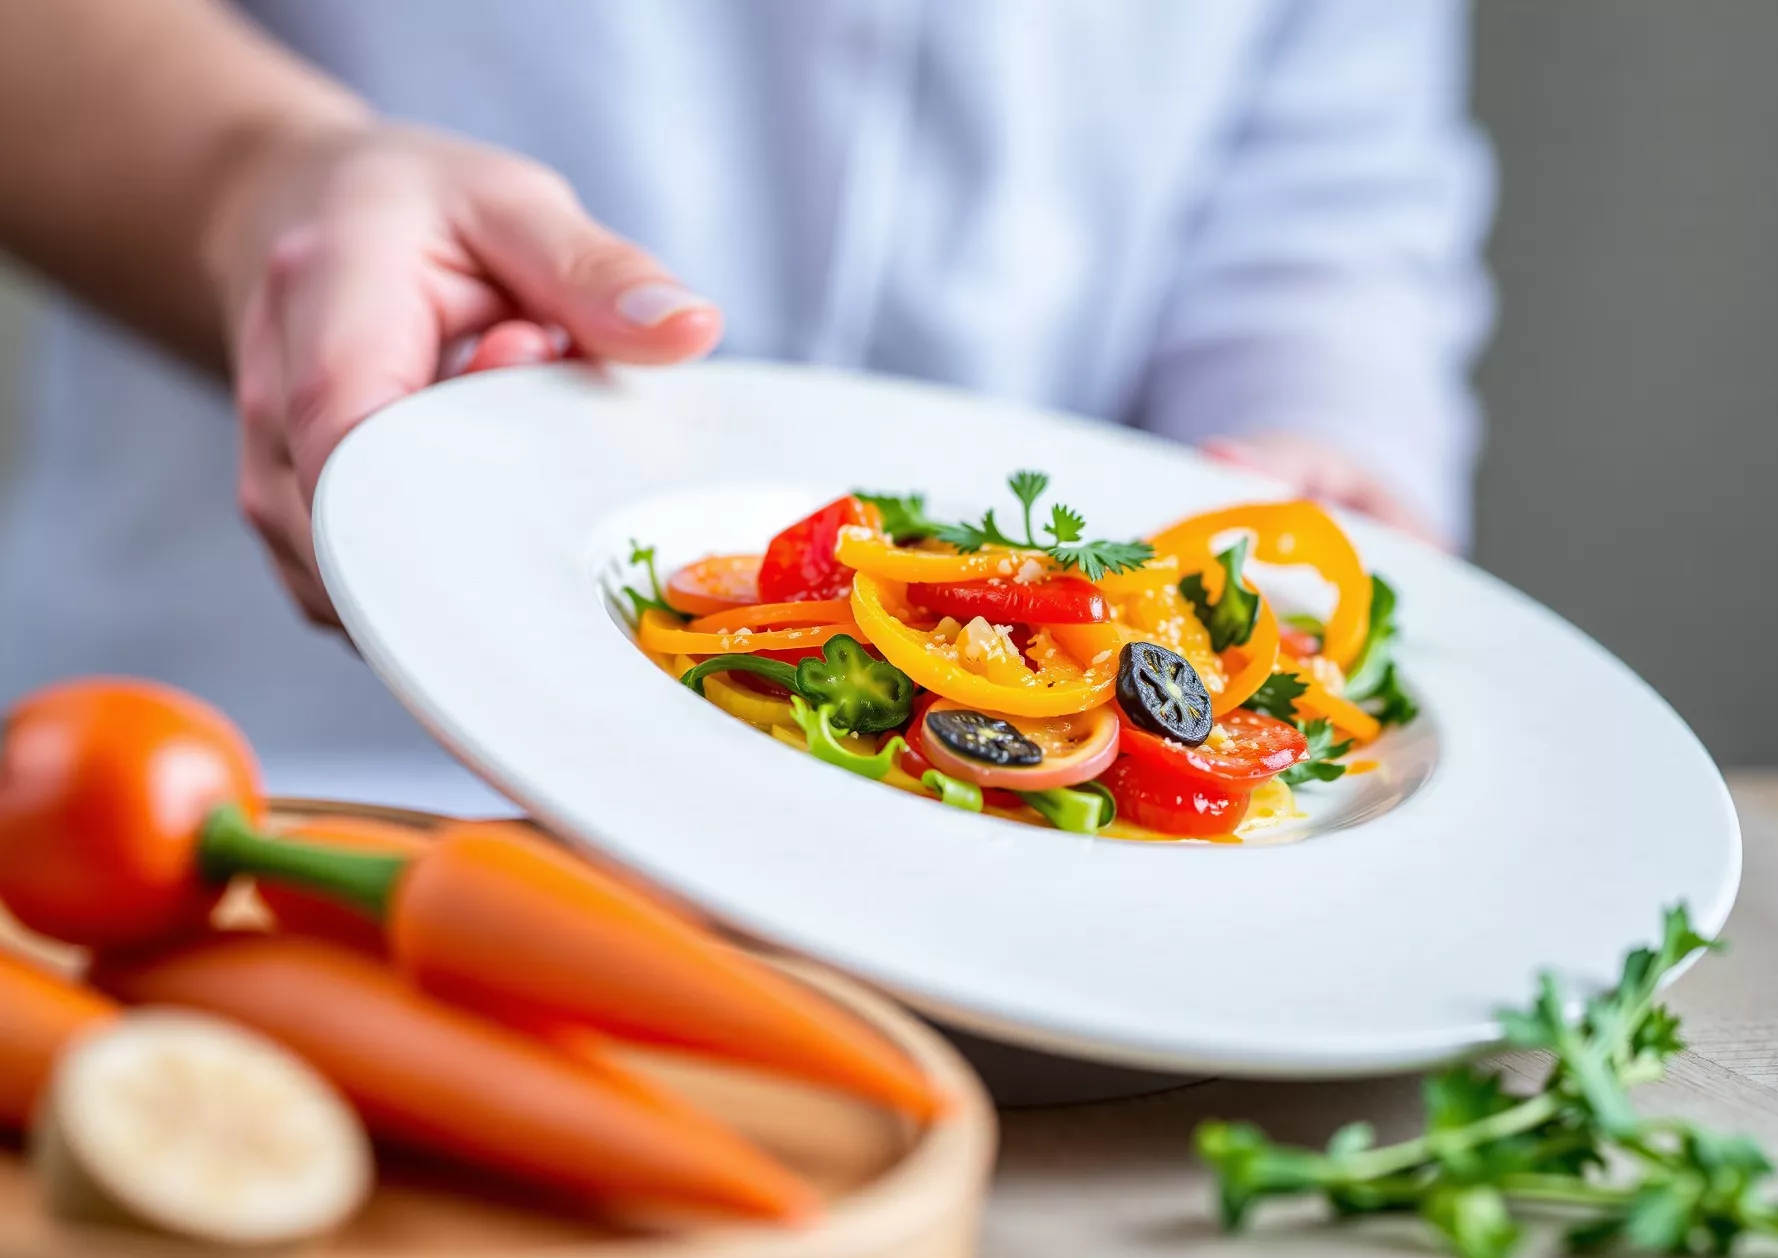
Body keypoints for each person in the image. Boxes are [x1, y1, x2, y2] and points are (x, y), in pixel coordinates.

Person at [0, 1, 1492, 812]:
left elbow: (1323, 165)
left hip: (1052, 891)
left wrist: (1318, 458)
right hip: (283, 753)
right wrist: (255, 177)